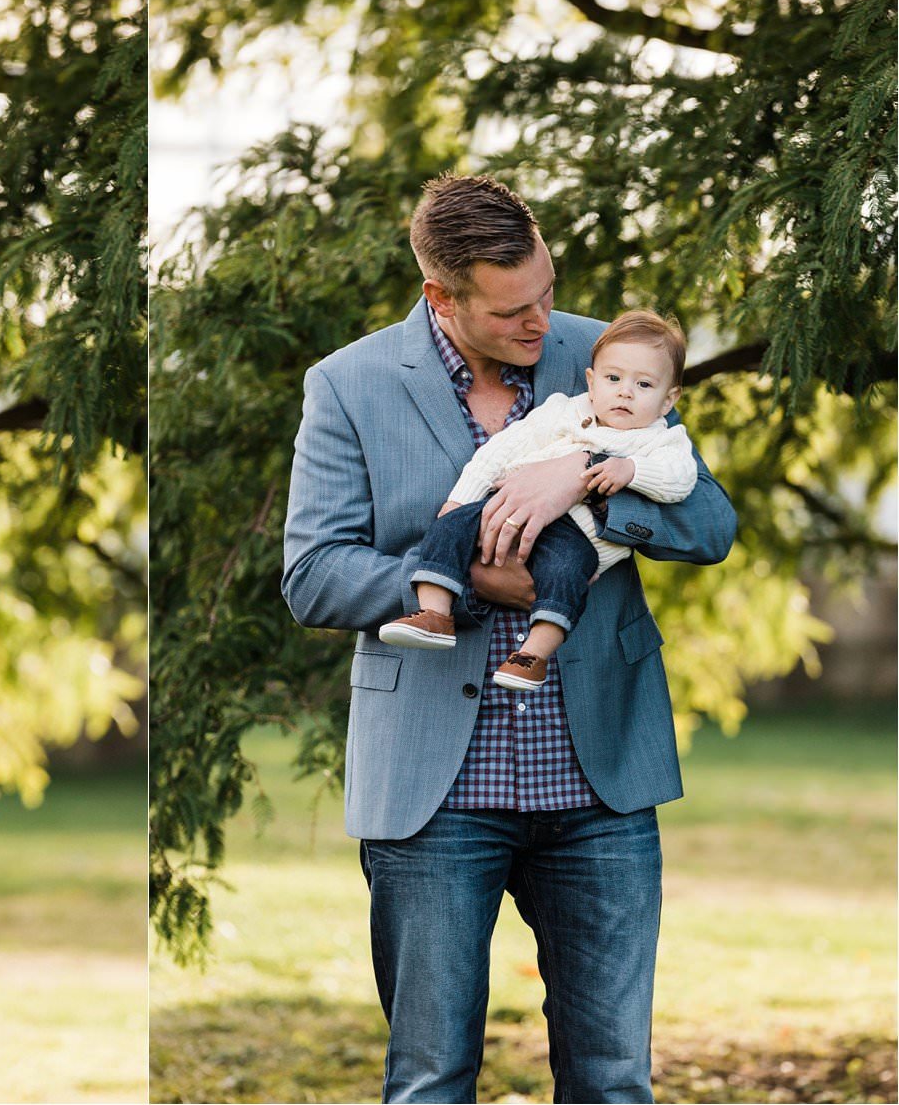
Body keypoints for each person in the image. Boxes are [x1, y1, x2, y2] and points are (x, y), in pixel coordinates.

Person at [281, 174, 736, 1104]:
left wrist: (589, 471)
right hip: (433, 790)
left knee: (613, 1079)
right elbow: (313, 571)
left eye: (547, 291)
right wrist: (468, 582)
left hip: (598, 779)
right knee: (430, 1079)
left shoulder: (607, 357)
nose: (542, 322)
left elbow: (710, 524)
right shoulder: (349, 383)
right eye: (512, 310)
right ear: (439, 297)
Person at [380, 310, 697, 692]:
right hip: (506, 506)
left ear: (669, 399)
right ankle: (434, 612)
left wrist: (630, 471)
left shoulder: (662, 441)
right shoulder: (564, 411)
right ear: (592, 383)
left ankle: (532, 655)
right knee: (450, 526)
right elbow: (501, 450)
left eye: (644, 385)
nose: (625, 392)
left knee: (566, 573)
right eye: (613, 379)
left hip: (575, 534)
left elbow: (681, 480)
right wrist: (460, 500)